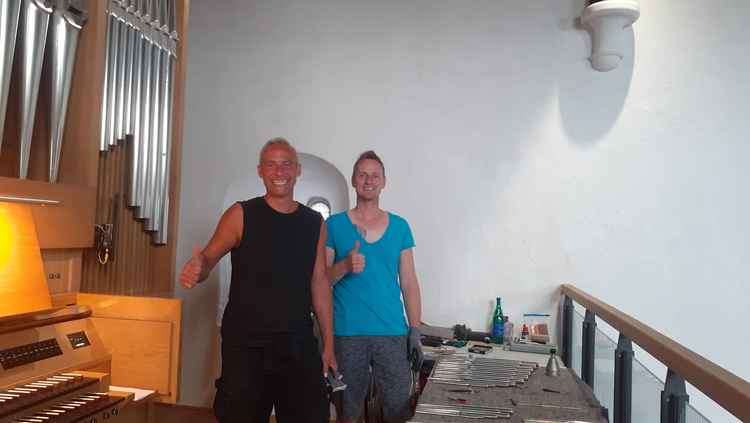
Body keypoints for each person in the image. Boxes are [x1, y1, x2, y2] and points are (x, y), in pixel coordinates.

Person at [179, 138, 336, 423]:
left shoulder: (314, 222)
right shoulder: (241, 214)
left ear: (297, 170)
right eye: (271, 165)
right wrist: (198, 267)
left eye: (286, 164)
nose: (279, 172)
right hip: (246, 344)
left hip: (297, 341)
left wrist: (328, 344)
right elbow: (208, 259)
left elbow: (320, 282)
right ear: (260, 171)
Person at [325, 151, 423, 423]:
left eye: (375, 175)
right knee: (349, 410)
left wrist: (414, 329)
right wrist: (345, 265)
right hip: (347, 333)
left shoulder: (400, 227)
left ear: (384, 182)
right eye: (362, 174)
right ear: (354, 181)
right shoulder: (334, 225)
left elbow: (409, 282)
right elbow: (321, 281)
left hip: (392, 333)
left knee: (397, 408)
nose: (369, 180)